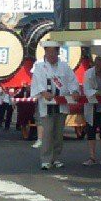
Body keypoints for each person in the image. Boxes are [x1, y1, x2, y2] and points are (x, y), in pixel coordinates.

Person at [30, 41, 80, 170]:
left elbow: (72, 81)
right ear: (45, 52)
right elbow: (36, 84)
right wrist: (43, 92)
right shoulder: (40, 67)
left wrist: (74, 91)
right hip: (46, 105)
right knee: (47, 132)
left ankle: (56, 158)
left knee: (58, 134)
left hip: (61, 104)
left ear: (58, 52)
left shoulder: (64, 66)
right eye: (49, 51)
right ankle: (46, 159)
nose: (51, 54)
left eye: (54, 51)